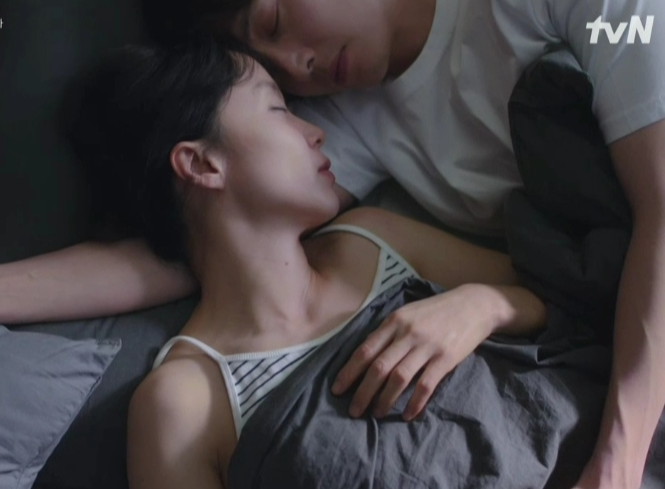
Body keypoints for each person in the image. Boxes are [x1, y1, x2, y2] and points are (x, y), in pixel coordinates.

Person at [0, 0, 665, 486]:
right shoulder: (351, 126)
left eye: (274, 25)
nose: (299, 79)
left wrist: (488, 310)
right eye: (276, 88)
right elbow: (177, 248)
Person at [87, 41, 545, 488]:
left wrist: (480, 306)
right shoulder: (185, 401)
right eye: (279, 110)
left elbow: (562, 301)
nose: (316, 132)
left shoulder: (372, 243)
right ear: (203, 163)